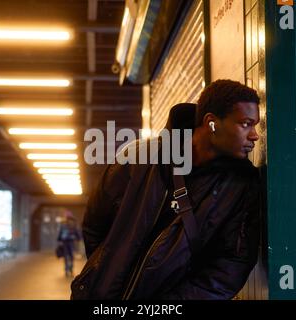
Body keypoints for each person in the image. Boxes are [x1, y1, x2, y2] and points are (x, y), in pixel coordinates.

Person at [71, 79, 262, 299]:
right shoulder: (139, 157)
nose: (255, 135)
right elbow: (95, 222)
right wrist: (105, 274)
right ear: (212, 124)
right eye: (246, 124)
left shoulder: (241, 186)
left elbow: (231, 267)